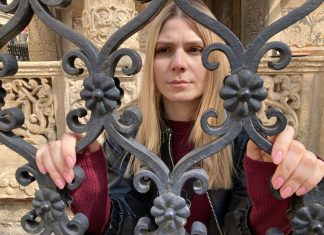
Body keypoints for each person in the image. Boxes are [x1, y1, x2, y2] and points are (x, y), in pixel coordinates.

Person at [35, 1, 324, 234]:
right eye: (164, 50)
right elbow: (114, 225)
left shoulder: (245, 136)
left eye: (195, 49)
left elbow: (257, 228)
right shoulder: (126, 131)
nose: (178, 64)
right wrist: (86, 177)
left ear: (218, 57)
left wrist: (277, 187)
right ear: (150, 63)